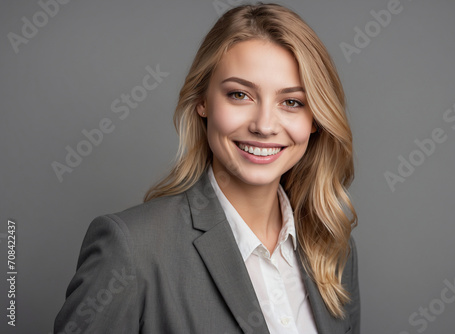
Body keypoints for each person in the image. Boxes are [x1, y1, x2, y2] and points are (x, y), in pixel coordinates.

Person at [54, 3, 359, 334]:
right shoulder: (132, 248)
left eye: (292, 102)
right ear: (203, 101)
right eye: (240, 94)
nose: (265, 125)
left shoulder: (331, 249)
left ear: (315, 119)